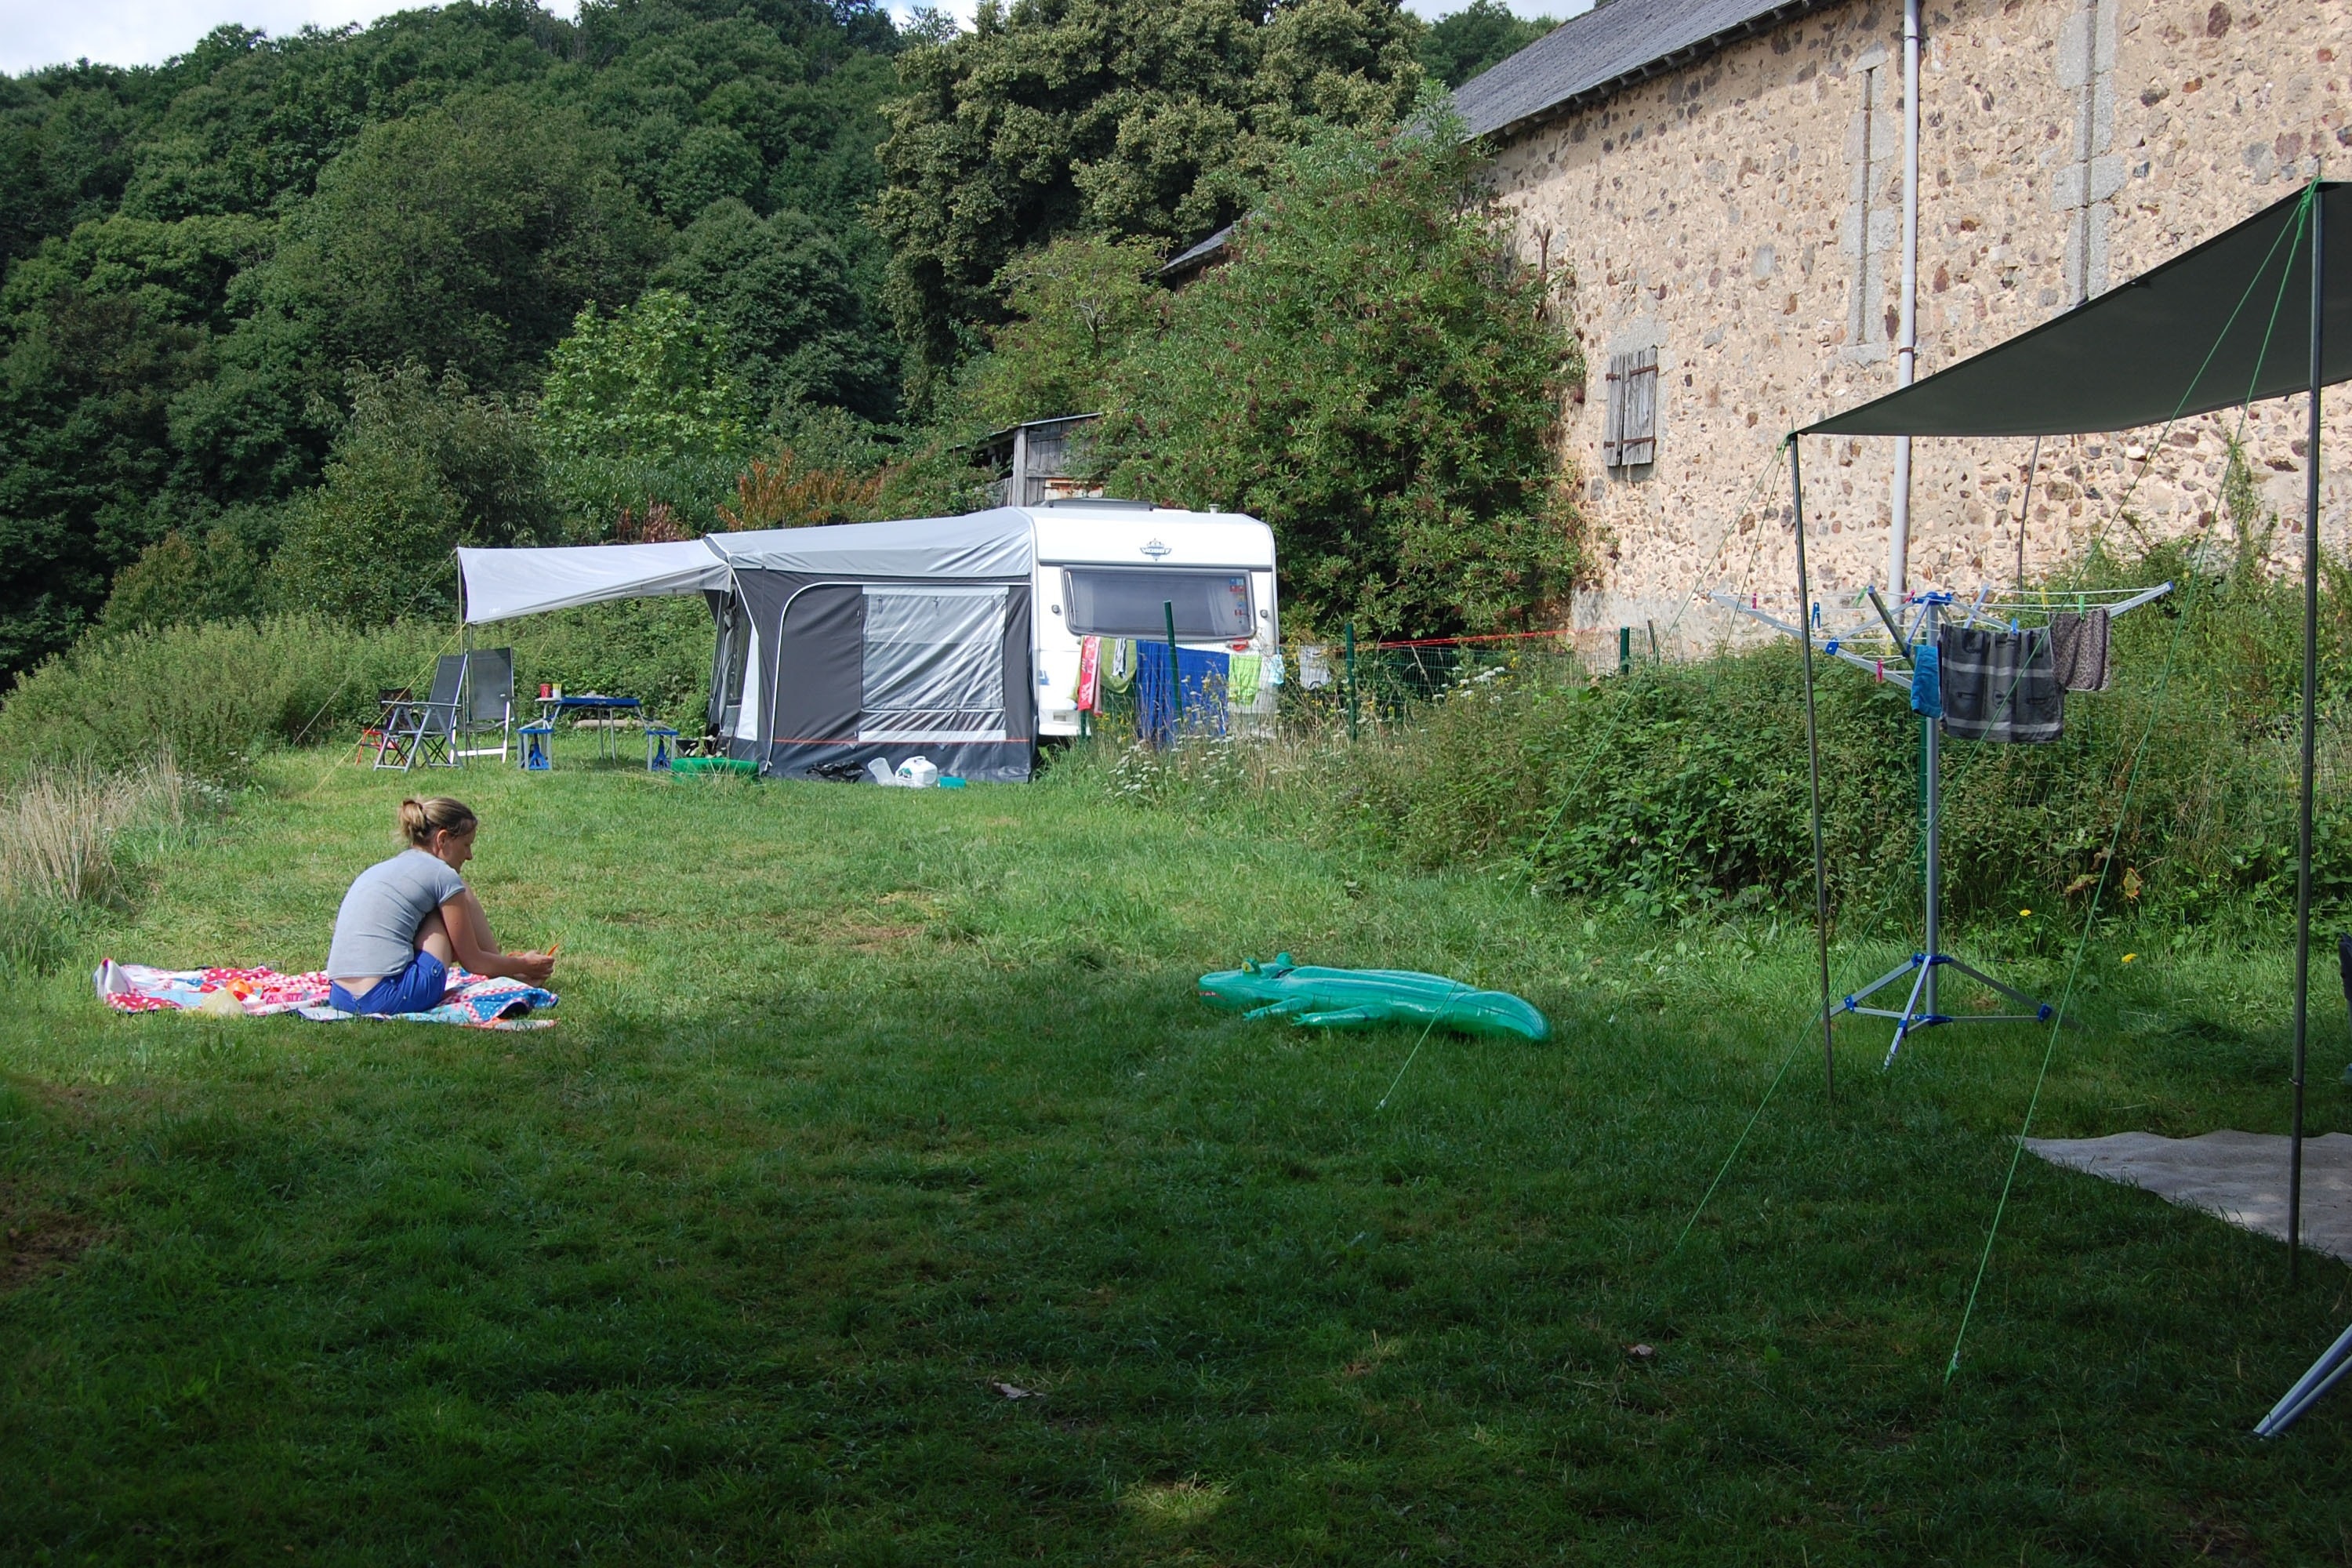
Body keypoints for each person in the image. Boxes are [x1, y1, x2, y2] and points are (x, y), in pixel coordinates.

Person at [327, 797, 557, 1015]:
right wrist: (524, 964)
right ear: (443, 839)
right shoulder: (442, 875)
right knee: (454, 896)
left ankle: (502, 969)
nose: (470, 856)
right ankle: (504, 974)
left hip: (341, 997)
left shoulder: (388, 868)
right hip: (390, 996)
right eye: (466, 845)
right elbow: (472, 961)